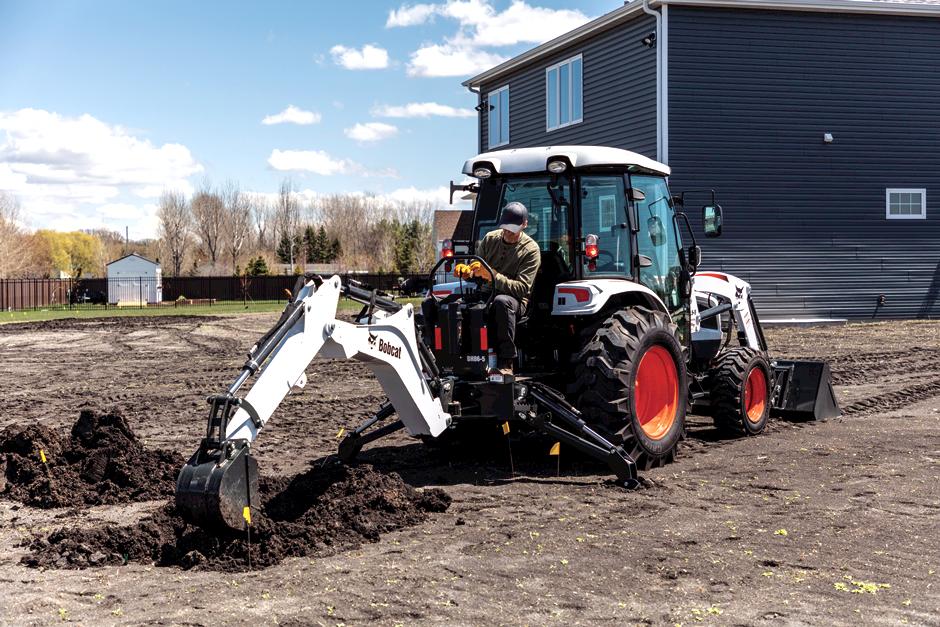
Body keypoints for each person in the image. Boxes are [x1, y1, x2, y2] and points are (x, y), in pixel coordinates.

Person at [461, 201, 541, 375]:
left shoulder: (531, 250)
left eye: (513, 230)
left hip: (515, 301)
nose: (508, 233)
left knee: (501, 302)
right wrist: (468, 272)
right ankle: (459, 357)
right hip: (486, 293)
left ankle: (506, 362)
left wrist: (493, 276)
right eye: (505, 228)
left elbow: (521, 288)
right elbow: (476, 267)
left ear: (524, 225)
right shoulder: (490, 239)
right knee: (453, 305)